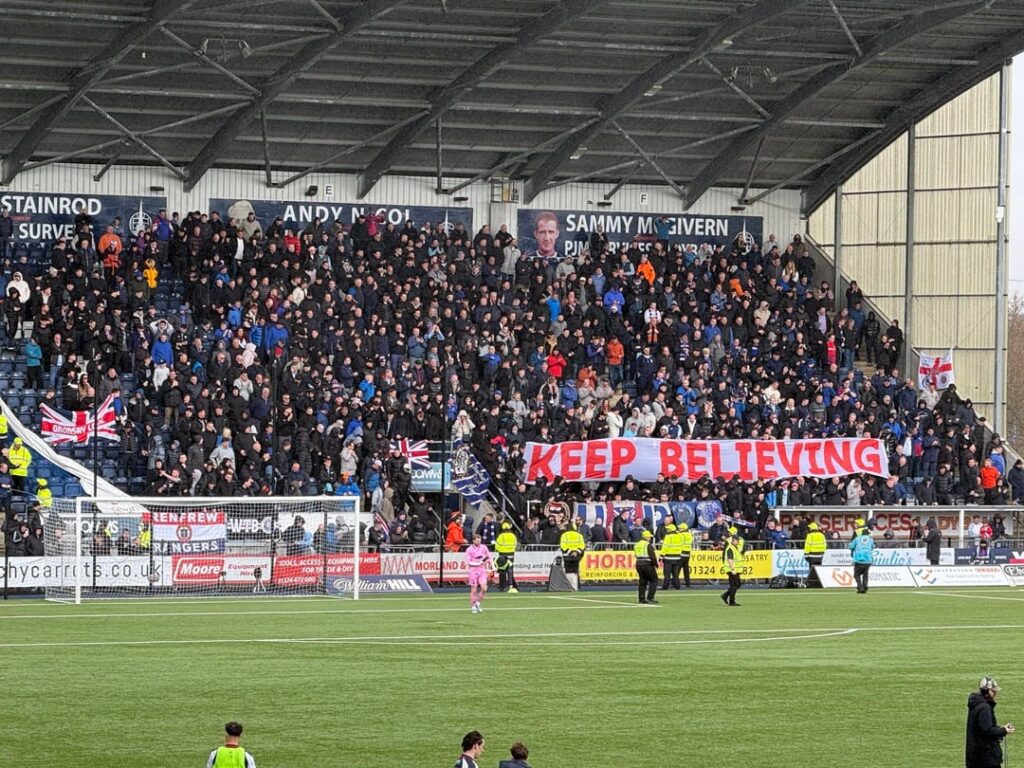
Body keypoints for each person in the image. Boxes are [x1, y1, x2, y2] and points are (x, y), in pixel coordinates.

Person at [966, 677, 1015, 768]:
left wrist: (1001, 729)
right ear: (986, 691)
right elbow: (987, 730)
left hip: (976, 757)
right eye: (993, 691)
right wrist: (1004, 730)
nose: (996, 693)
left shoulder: (976, 704)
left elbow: (983, 727)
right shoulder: (984, 708)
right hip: (986, 759)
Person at [465, 533, 495, 614]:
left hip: (482, 570)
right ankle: (473, 606)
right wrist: (477, 563)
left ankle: (477, 603)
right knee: (474, 590)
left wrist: (493, 566)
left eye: (480, 540)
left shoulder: (484, 547)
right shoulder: (469, 550)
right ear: (473, 541)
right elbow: (468, 562)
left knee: (484, 588)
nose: (479, 542)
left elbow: (489, 557)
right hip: (473, 571)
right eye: (477, 540)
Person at [849, 524, 876, 594]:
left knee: (856, 575)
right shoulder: (871, 539)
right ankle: (865, 586)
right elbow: (873, 547)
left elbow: (851, 546)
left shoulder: (857, 539)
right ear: (868, 534)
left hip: (859, 559)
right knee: (865, 574)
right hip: (868, 560)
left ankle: (860, 587)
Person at [634, 529, 659, 604]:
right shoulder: (647, 545)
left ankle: (641, 599)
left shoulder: (637, 544)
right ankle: (650, 597)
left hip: (638, 564)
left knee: (642, 582)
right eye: (650, 537)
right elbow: (652, 556)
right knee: (654, 580)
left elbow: (635, 554)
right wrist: (655, 564)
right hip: (647, 564)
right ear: (647, 537)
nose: (650, 539)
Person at [721, 529, 744, 606]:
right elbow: (730, 559)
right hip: (731, 569)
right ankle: (730, 600)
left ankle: (726, 596)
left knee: (735, 585)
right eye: (737, 540)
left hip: (733, 569)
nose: (738, 542)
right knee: (736, 585)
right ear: (733, 541)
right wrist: (733, 569)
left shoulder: (734, 547)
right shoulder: (731, 548)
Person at [559, 522, 586, 588]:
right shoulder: (579, 535)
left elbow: (563, 545)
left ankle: (569, 586)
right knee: (575, 570)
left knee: (568, 571)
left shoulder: (564, 535)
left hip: (567, 556)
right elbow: (582, 545)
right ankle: (575, 586)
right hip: (577, 556)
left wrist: (570, 552)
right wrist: (576, 552)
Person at [495, 521, 519, 593]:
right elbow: (515, 545)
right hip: (511, 555)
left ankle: (502, 587)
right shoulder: (513, 536)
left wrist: (500, 551)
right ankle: (512, 586)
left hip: (502, 555)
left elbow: (497, 546)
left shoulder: (501, 536)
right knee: (510, 571)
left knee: (502, 571)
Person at [803, 522, 827, 588]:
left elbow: (807, 545)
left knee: (811, 570)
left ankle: (811, 583)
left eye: (810, 527)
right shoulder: (822, 535)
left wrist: (806, 554)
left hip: (812, 555)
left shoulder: (810, 535)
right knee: (819, 570)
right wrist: (822, 553)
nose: (809, 528)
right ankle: (819, 583)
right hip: (820, 555)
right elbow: (825, 545)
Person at [659, 522, 683, 590]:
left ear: (670, 530)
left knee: (667, 573)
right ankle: (677, 585)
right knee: (675, 574)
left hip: (668, 558)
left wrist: (661, 556)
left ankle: (666, 586)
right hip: (677, 557)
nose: (667, 530)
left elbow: (665, 547)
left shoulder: (668, 536)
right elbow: (681, 546)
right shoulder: (679, 536)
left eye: (668, 529)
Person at [678, 522, 694, 588]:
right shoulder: (690, 535)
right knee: (686, 569)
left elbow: (678, 543)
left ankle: (675, 582)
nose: (679, 529)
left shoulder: (680, 535)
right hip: (687, 553)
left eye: (680, 528)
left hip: (681, 553)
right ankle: (688, 583)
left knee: (677, 569)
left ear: (683, 529)